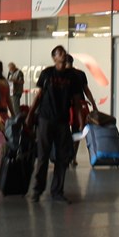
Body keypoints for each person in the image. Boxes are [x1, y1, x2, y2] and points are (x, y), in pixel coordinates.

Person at [28, 46, 86, 203]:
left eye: (64, 52)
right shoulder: (47, 73)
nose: (63, 54)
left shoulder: (73, 77)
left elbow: (76, 101)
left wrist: (80, 121)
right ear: (54, 58)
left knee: (62, 158)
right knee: (43, 156)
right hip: (45, 119)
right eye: (60, 53)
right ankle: (37, 190)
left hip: (62, 121)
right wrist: (30, 115)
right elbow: (38, 96)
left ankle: (57, 192)